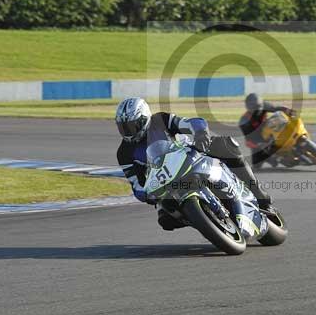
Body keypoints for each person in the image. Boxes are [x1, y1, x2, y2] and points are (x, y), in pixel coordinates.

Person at [115, 97, 274, 230]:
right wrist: (146, 194)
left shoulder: (160, 120)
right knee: (165, 220)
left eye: (132, 126)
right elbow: (136, 184)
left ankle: (261, 199)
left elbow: (191, 122)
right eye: (123, 127)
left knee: (226, 146)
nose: (128, 131)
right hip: (166, 184)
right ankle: (204, 219)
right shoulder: (123, 153)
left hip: (189, 156)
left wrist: (200, 133)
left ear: (145, 118)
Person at [238, 93, 295, 167]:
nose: (258, 109)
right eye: (255, 108)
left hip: (269, 130)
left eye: (259, 106)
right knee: (259, 164)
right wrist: (259, 145)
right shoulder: (244, 120)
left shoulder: (264, 105)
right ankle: (271, 158)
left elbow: (276, 108)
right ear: (249, 108)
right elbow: (248, 140)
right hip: (256, 140)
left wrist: (288, 110)